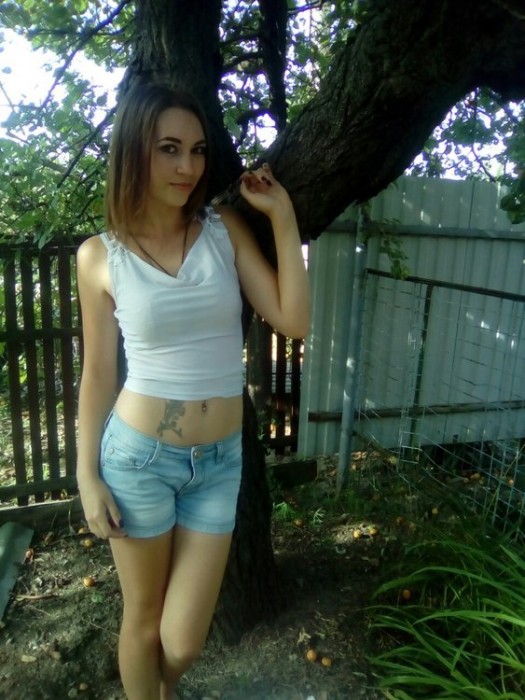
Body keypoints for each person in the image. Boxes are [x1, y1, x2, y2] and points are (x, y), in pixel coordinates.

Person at [76, 80, 310, 700]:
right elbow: (98, 373)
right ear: (134, 151)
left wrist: (282, 217)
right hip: (139, 460)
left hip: (220, 464)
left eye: (198, 150)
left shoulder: (222, 230)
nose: (188, 167)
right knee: (144, 622)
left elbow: (293, 320)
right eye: (169, 149)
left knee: (182, 643)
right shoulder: (99, 256)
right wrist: (86, 476)